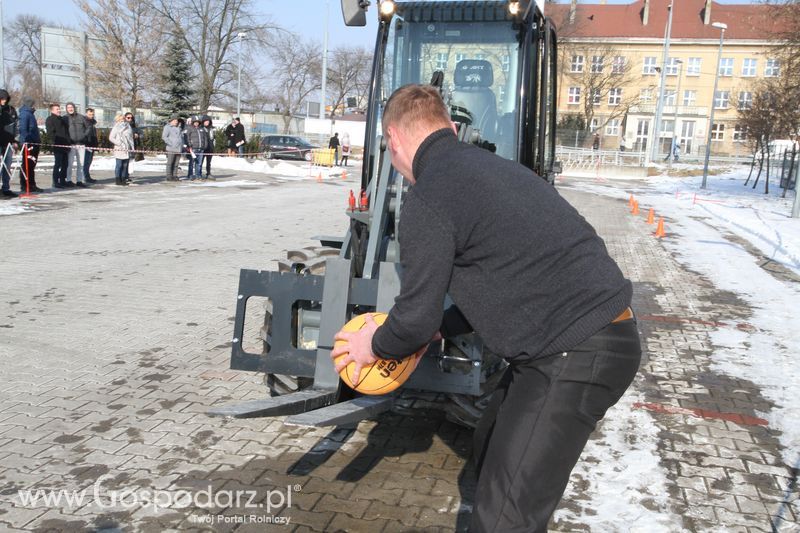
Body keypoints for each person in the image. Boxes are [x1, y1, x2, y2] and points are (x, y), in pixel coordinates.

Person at [330, 85, 641, 533]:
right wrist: (443, 328)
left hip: (574, 351)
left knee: (504, 516)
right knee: (490, 440)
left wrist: (371, 345)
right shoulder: (491, 169)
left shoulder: (429, 193)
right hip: (578, 342)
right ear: (451, 129)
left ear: (393, 140)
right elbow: (502, 274)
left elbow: (413, 318)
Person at [17, 96, 43, 193]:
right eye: (32, 104)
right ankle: (25, 185)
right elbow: (23, 129)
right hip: (29, 143)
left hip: (34, 142)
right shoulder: (25, 114)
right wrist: (27, 141)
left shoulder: (30, 114)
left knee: (31, 165)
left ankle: (32, 184)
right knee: (27, 165)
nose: (34, 106)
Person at [45, 104, 70, 189]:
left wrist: (68, 143)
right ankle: (55, 181)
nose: (59, 110)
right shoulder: (50, 119)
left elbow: (66, 133)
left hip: (65, 145)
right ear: (52, 111)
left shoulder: (62, 119)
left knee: (65, 164)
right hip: (58, 145)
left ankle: (63, 180)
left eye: (59, 109)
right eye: (57, 109)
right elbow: (50, 133)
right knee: (58, 164)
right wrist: (55, 142)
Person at [0, 89, 19, 198]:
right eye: (2, 98)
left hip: (8, 143)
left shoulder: (11, 110)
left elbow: (17, 126)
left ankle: (6, 188)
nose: (4, 100)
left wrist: (16, 141)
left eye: (5, 98)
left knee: (7, 166)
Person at [64, 102, 88, 187]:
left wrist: (84, 136)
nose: (70, 109)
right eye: (68, 107)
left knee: (80, 163)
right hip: (71, 145)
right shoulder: (65, 118)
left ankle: (79, 180)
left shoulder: (81, 117)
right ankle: (68, 180)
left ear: (74, 108)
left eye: (71, 107)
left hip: (81, 144)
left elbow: (88, 127)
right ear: (66, 109)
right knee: (69, 164)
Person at [109, 114, 134, 186]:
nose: (122, 120)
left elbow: (130, 137)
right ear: (117, 120)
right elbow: (111, 137)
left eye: (123, 118)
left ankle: (123, 179)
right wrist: (118, 143)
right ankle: (117, 179)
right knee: (119, 165)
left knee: (125, 165)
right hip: (119, 149)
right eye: (120, 119)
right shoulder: (116, 127)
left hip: (127, 149)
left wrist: (131, 147)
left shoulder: (128, 126)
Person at [184, 116, 207, 180]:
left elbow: (205, 138)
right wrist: (189, 145)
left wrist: (204, 145)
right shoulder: (190, 129)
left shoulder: (201, 129)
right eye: (195, 122)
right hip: (193, 149)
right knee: (191, 162)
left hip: (201, 148)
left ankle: (198, 175)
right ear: (192, 122)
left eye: (197, 122)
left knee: (199, 163)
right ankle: (190, 175)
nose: (196, 123)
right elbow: (187, 138)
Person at [162, 115, 183, 181]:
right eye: (175, 120)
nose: (176, 122)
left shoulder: (179, 128)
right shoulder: (167, 127)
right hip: (171, 148)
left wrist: (182, 145)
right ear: (171, 121)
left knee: (176, 164)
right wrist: (171, 144)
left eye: (177, 121)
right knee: (170, 163)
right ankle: (169, 176)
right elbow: (164, 137)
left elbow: (181, 137)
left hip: (179, 148)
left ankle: (174, 175)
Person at [83, 108, 98, 184]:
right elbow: (85, 133)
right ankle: (85, 177)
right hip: (87, 144)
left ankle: (87, 176)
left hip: (92, 144)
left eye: (92, 114)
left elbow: (94, 134)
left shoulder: (92, 123)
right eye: (89, 114)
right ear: (86, 114)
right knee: (86, 161)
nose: (91, 116)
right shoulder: (84, 121)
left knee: (89, 161)